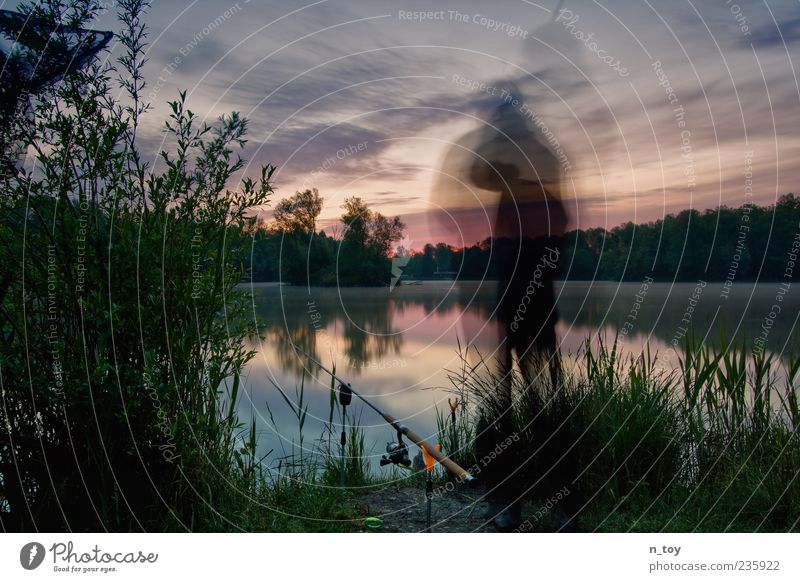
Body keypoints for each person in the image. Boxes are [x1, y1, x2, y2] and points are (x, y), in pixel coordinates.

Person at [431, 88, 568, 530]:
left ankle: (557, 496)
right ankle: (504, 496)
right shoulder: (509, 170)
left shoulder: (543, 169)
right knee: (498, 399)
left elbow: (556, 229)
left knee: (544, 396)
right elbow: (478, 170)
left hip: (535, 294)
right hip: (508, 292)